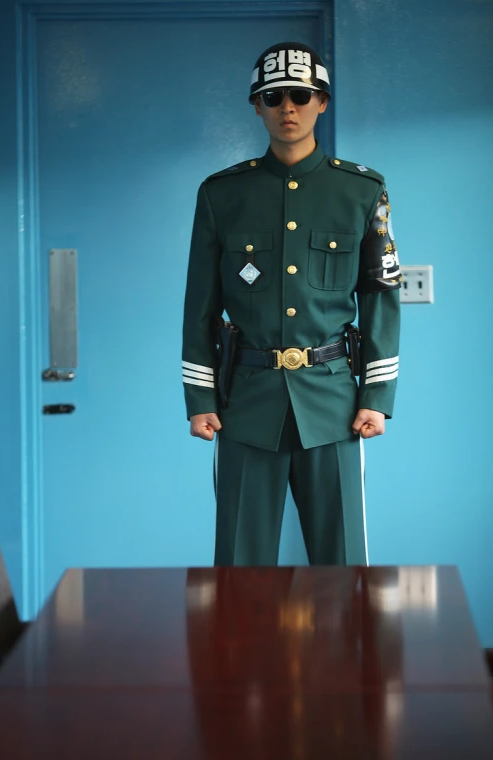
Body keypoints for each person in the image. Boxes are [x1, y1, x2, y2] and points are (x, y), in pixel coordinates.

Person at [182, 42, 401, 566]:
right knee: (239, 565)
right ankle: (238, 654)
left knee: (344, 564)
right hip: (246, 404)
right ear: (256, 106)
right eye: (273, 96)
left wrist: (377, 393)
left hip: (333, 403)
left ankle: (349, 654)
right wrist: (201, 398)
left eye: (300, 96)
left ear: (321, 102)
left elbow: (380, 296)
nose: (288, 108)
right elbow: (200, 304)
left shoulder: (362, 190)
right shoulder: (222, 195)